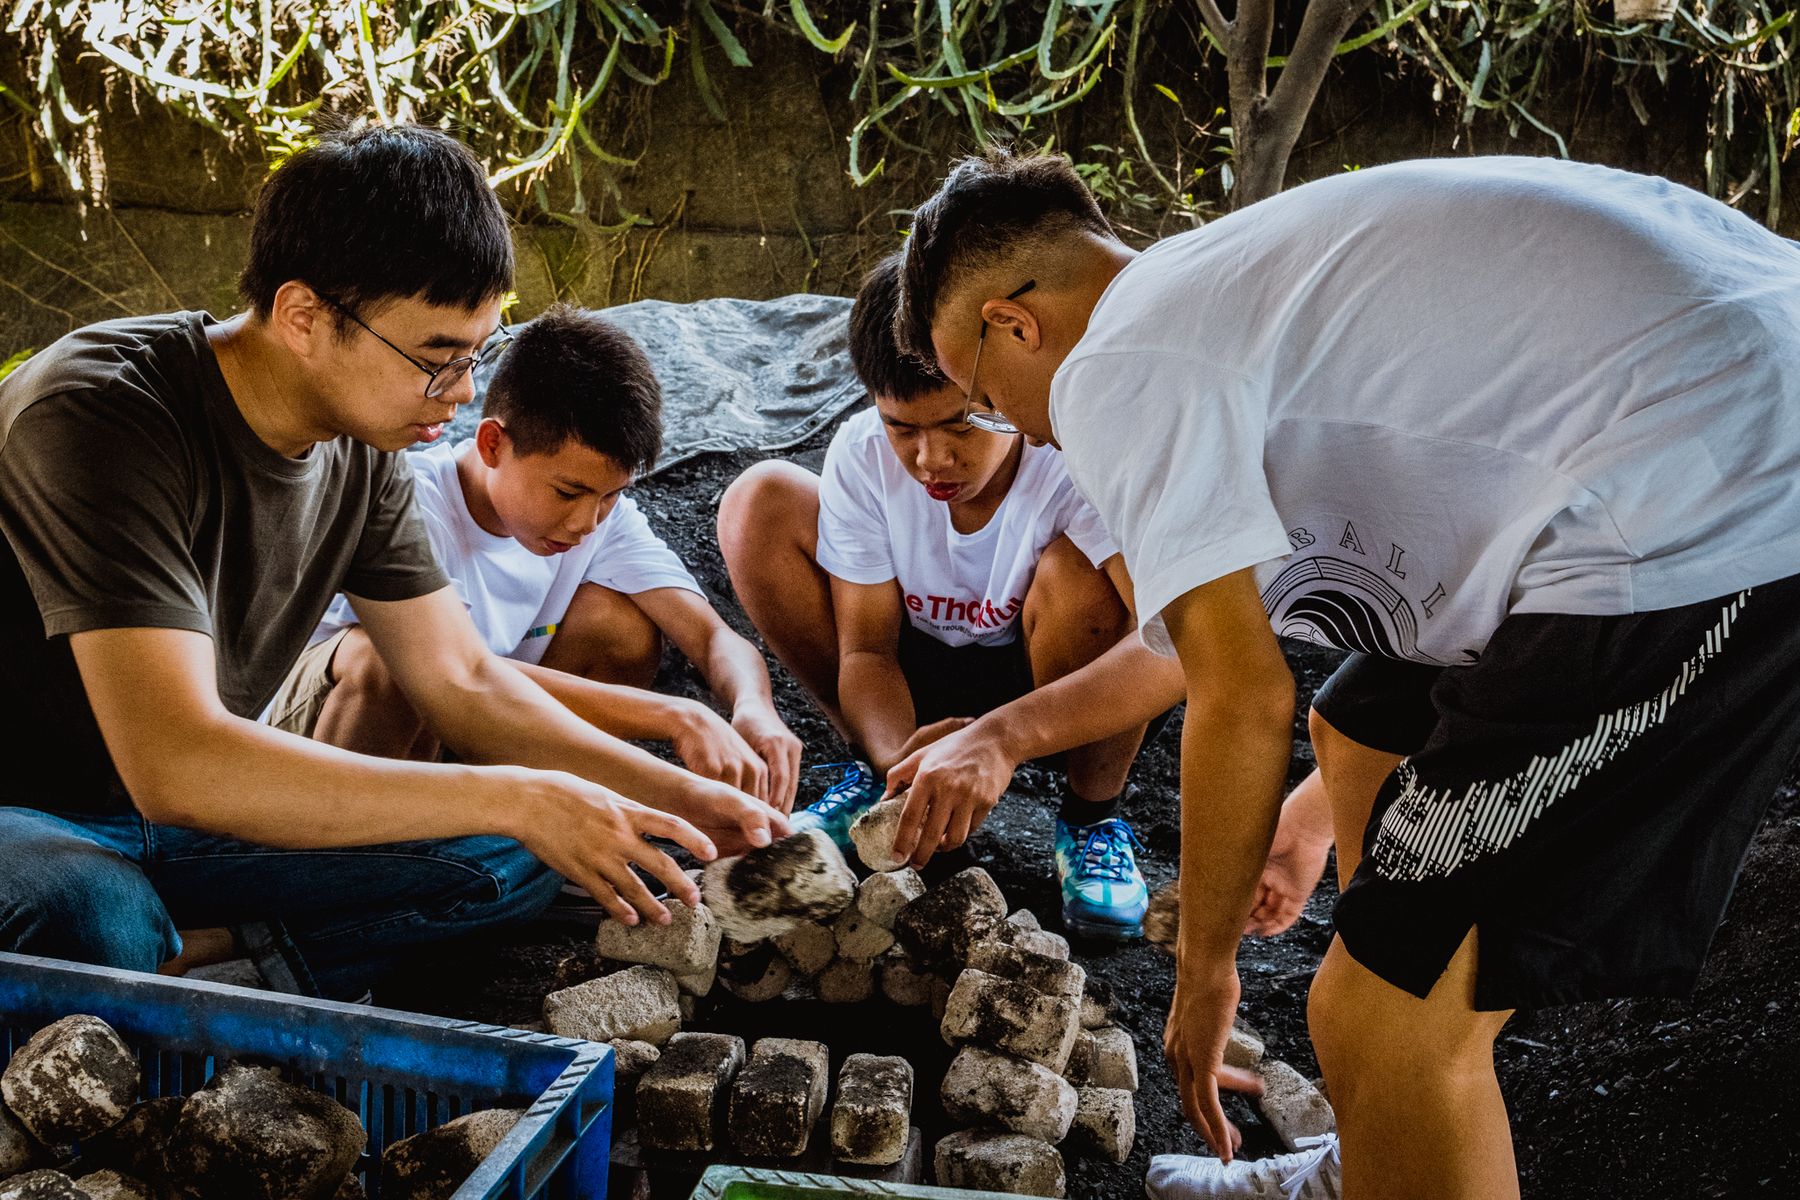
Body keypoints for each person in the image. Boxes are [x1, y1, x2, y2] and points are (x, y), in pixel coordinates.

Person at [893, 149, 1800, 1198]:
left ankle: (1409, 1080)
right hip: (1686, 409)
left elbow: (1240, 694)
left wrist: (1204, 974)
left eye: (985, 399)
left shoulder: (1115, 364)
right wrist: (1002, 733)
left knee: (1375, 1013)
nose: (1023, 430)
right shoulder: (1213, 294)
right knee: (1357, 728)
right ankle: (1381, 1154)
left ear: (1014, 322)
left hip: (1712, 503)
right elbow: (1185, 660)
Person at [0, 123, 785, 1003]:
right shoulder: (100, 411)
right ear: (305, 317)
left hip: (179, 827)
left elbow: (463, 682)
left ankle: (199, 956)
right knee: (85, 913)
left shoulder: (362, 455)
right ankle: (176, 954)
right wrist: (519, 794)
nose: (457, 398)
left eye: (474, 359)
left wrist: (690, 801)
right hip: (36, 814)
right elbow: (177, 761)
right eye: (436, 361)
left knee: (522, 859)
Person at [718, 254, 1184, 939]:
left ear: (1000, 390)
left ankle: (1092, 818)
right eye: (902, 428)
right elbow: (867, 650)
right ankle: (885, 786)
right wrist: (903, 758)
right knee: (756, 501)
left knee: (1083, 576)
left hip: (1054, 689)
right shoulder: (862, 457)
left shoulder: (1072, 453)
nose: (931, 460)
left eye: (959, 425)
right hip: (914, 679)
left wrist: (1003, 738)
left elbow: (1175, 645)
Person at [270, 303, 803, 812]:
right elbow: (451, 673)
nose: (585, 523)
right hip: (315, 745)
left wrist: (754, 706)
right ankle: (344, 868)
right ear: (492, 444)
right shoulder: (411, 502)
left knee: (621, 626)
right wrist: (673, 721)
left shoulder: (600, 519)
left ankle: (544, 836)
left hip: (467, 731)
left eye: (611, 494)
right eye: (567, 493)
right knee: (388, 661)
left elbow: (711, 639)